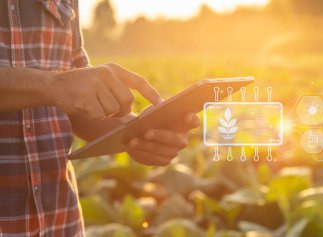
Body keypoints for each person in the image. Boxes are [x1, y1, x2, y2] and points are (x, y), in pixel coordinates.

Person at [0, 0, 199, 236]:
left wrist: (139, 131)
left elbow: (75, 102)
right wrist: (52, 85)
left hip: (61, 225)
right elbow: (60, 87)